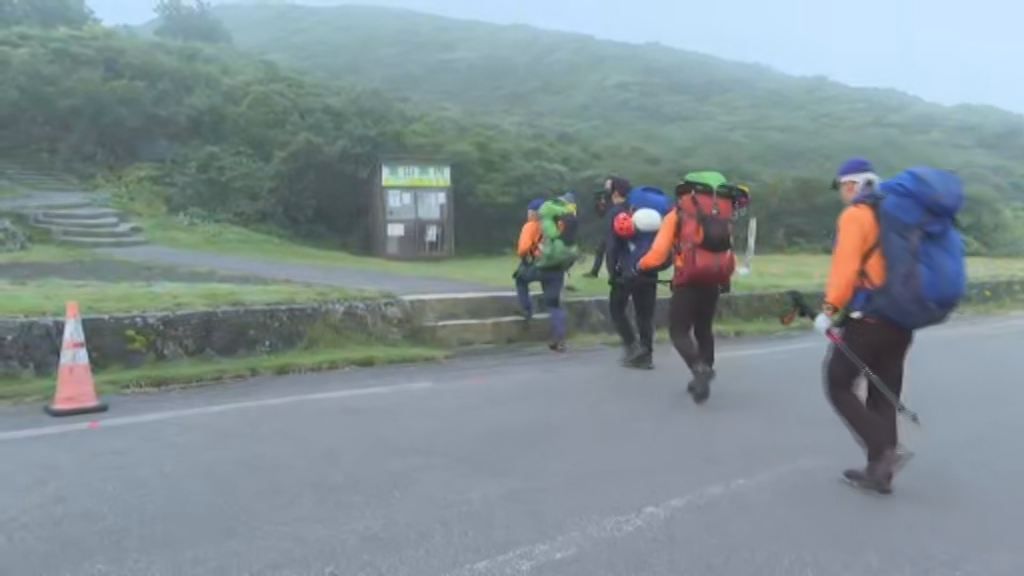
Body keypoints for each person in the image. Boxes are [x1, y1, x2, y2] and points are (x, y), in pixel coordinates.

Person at [817, 158, 966, 494]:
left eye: (842, 186)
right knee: (883, 392)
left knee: (838, 383)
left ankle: (885, 451)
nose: (843, 193)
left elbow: (844, 273)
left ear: (853, 184)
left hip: (869, 318)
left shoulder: (858, 215)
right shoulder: (902, 216)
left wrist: (828, 311)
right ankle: (879, 472)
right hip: (902, 318)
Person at [633, 171, 738, 404]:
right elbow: (727, 251)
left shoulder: (677, 215)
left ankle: (699, 370)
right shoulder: (724, 215)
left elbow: (658, 253)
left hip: (687, 279)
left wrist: (640, 266)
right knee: (704, 330)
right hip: (714, 278)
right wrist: (725, 277)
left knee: (679, 331)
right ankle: (702, 378)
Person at [605, 177, 670, 369]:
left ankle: (631, 346)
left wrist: (612, 272)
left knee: (617, 308)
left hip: (626, 270)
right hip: (650, 268)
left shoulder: (619, 212)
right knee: (645, 314)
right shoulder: (658, 214)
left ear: (616, 192)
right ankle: (646, 353)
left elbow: (612, 246)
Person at [514, 193, 577, 352]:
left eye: (529, 211)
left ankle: (527, 310)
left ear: (535, 212)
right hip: (558, 269)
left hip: (539, 267)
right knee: (554, 304)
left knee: (520, 279)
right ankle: (559, 339)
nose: (528, 214)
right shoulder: (560, 224)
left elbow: (522, 249)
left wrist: (527, 258)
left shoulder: (531, 225)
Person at [583, 186, 611, 278]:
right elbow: (600, 214)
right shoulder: (600, 201)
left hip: (614, 230)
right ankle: (594, 272)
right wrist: (599, 204)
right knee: (600, 251)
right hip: (607, 230)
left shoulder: (613, 201)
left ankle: (612, 273)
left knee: (610, 253)